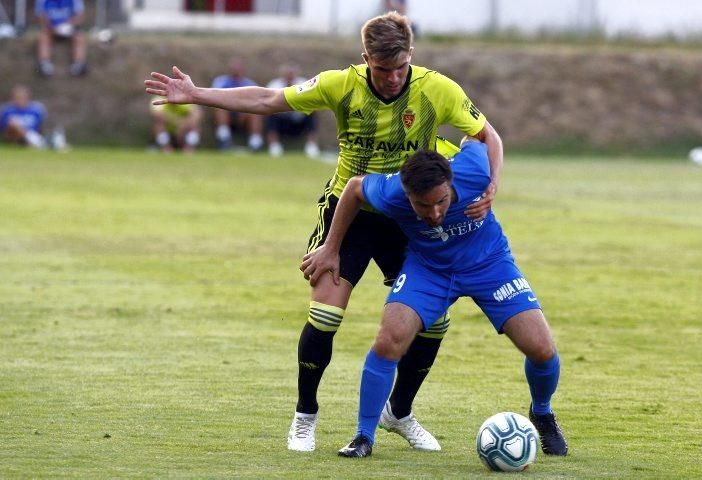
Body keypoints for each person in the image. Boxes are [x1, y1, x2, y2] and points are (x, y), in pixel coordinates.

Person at [144, 11, 504, 453]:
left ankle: (401, 412)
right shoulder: (340, 84)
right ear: (365, 58)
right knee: (326, 314)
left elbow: (488, 136)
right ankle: (305, 417)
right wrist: (197, 94)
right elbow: (268, 100)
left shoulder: (438, 89)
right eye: (381, 68)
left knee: (433, 321)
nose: (391, 79)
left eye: (399, 68)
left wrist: (491, 188)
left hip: (406, 215)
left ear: (411, 55)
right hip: (347, 213)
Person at [300, 139, 568, 458]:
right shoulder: (393, 192)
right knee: (389, 340)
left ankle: (542, 413)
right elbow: (355, 188)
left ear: (451, 183)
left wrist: (493, 185)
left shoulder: (473, 170)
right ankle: (364, 436)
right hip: (430, 270)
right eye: (423, 206)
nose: (435, 212)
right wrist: (330, 248)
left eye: (441, 201)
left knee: (541, 348)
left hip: (489, 264)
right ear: (408, 195)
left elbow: (481, 136)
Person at [264, 64, 319, 158]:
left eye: (292, 73)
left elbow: (312, 101)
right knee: (270, 114)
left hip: (299, 120)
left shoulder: (304, 83)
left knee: (313, 112)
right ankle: (274, 146)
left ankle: (312, 146)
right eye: (288, 73)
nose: (290, 75)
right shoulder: (274, 85)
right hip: (281, 121)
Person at [211, 59, 264, 151]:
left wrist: (243, 110)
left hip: (244, 114)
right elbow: (215, 96)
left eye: (238, 69)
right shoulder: (220, 81)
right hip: (227, 112)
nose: (236, 71)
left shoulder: (250, 84)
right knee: (219, 108)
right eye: (234, 68)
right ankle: (224, 139)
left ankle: (255, 143)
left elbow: (255, 100)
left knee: (256, 112)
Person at [35, 0, 88, 77]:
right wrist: (52, 27)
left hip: (69, 29)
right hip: (51, 29)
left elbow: (80, 15)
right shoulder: (43, 1)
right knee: (43, 38)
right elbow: (40, 17)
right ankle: (44, 64)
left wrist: (69, 25)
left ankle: (78, 64)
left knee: (79, 37)